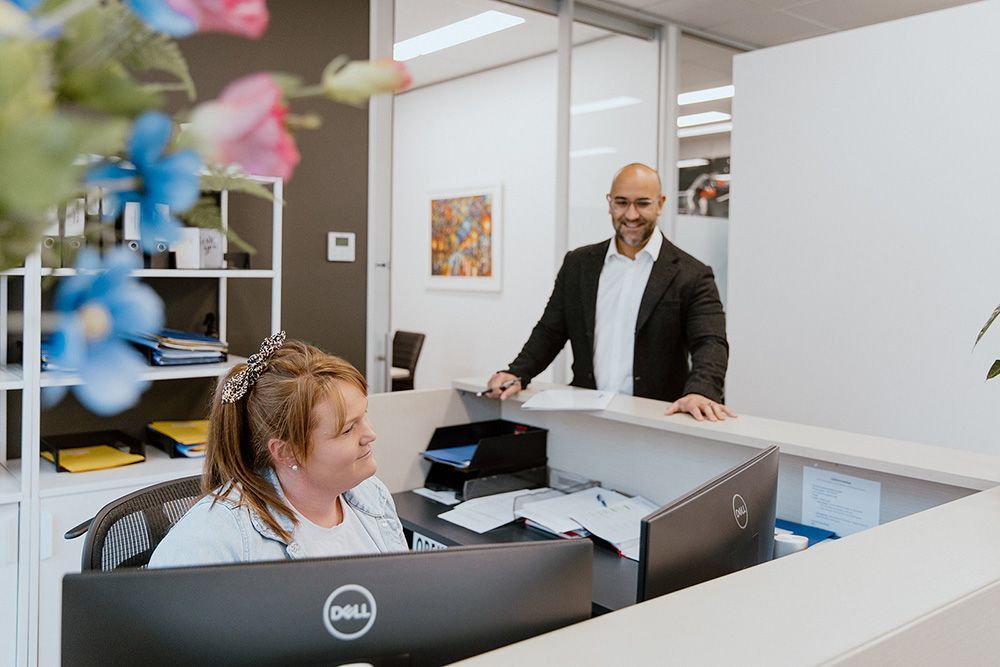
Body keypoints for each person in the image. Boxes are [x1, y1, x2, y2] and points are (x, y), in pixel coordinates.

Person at [487, 163, 735, 422]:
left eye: (642, 203)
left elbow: (710, 342)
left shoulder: (692, 274)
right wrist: (517, 372)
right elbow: (551, 330)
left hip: (657, 421)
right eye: (621, 202)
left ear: (660, 204)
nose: (631, 214)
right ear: (609, 203)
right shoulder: (578, 264)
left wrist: (701, 390)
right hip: (588, 417)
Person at [149, 332, 407, 567]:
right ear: (286, 452)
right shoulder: (209, 542)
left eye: (365, 415)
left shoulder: (372, 496)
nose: (370, 434)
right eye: (348, 429)